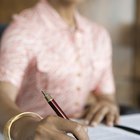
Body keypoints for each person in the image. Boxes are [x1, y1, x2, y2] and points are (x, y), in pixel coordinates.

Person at [0, 0, 119, 139]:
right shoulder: (23, 29)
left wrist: (107, 104)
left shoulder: (99, 35)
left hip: (88, 130)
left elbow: (106, 95)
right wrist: (23, 126)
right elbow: (2, 93)